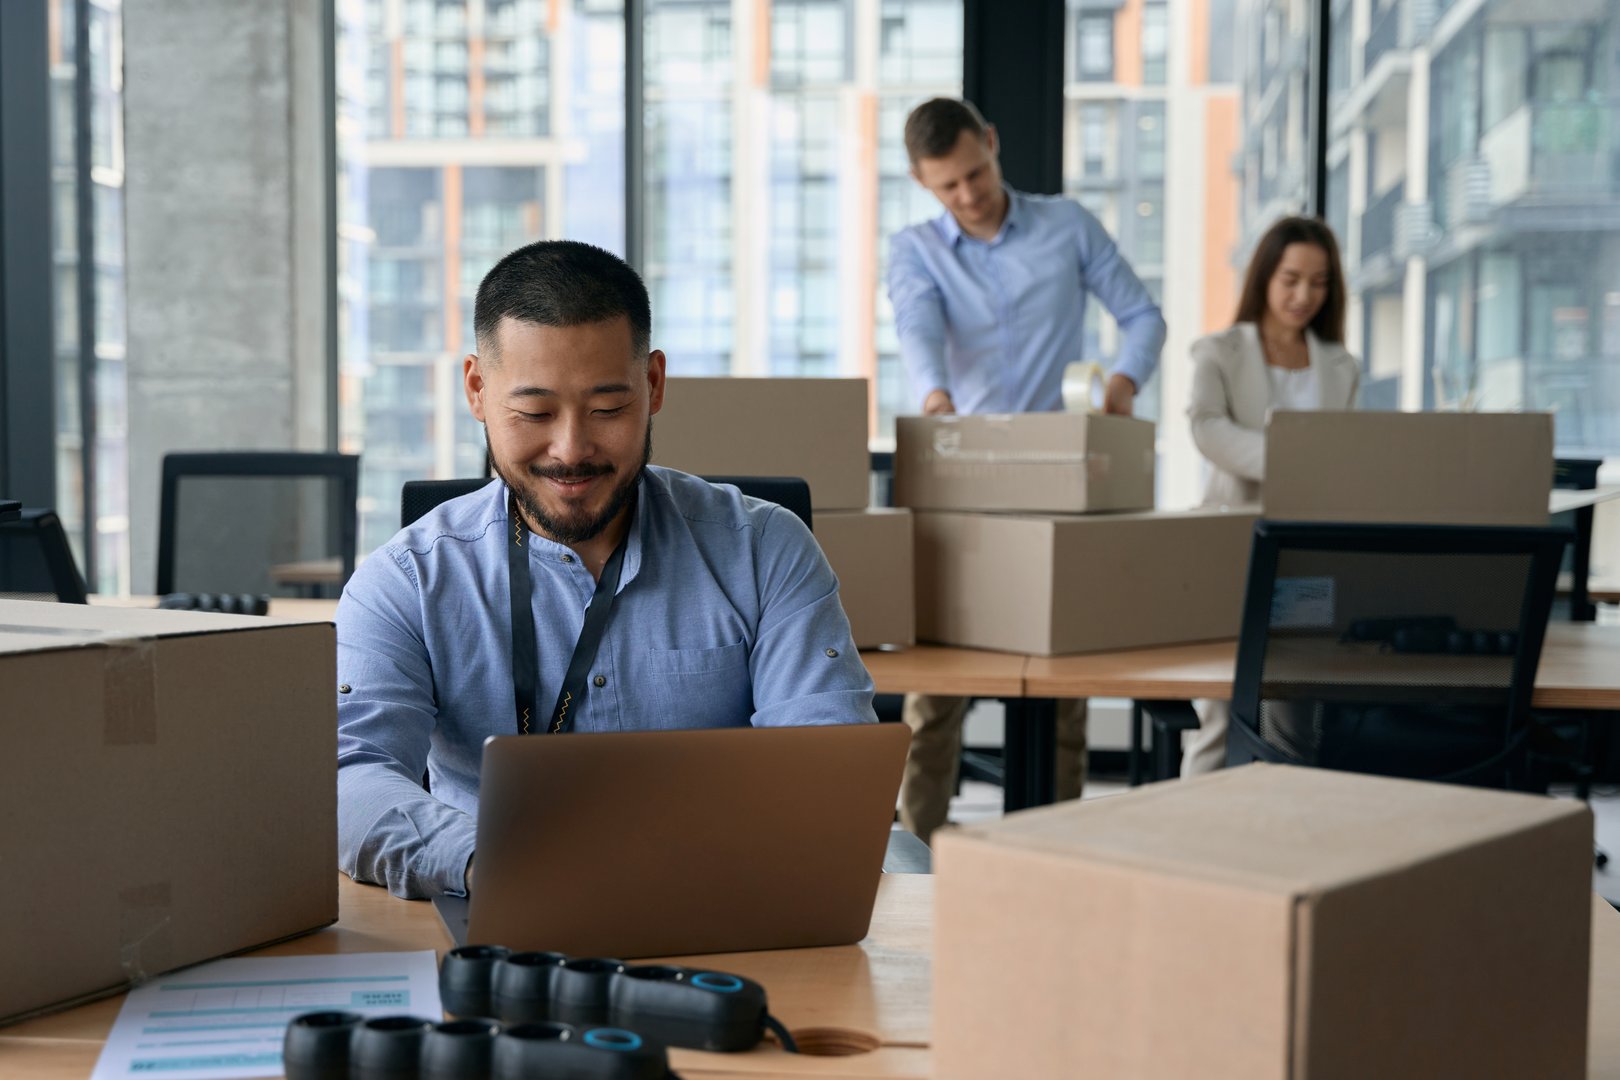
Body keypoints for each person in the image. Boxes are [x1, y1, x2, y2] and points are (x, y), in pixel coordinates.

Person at [336, 240, 877, 899]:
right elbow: (350, 776)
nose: (571, 449)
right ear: (477, 389)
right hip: (500, 910)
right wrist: (494, 861)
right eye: (534, 412)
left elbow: (830, 769)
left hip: (722, 903)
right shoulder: (407, 581)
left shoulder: (765, 550)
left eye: (607, 410)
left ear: (652, 385)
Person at [887, 98, 1166, 842]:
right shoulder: (916, 248)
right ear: (923, 182)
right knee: (935, 696)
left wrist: (1123, 383)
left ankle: (1053, 854)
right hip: (966, 483)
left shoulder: (1068, 226)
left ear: (994, 140)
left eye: (976, 173)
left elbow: (1143, 316)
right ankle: (912, 862)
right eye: (948, 186)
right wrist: (934, 394)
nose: (969, 195)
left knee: (1061, 686)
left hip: (1060, 482)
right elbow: (916, 324)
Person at [1181, 215, 1360, 776]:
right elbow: (1206, 428)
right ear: (1263, 277)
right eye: (1290, 279)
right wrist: (1293, 461)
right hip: (1230, 550)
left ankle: (1282, 851)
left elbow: (1350, 453)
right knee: (1219, 719)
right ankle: (1193, 857)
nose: (1304, 295)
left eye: (1319, 282)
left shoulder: (1342, 366)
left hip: (1308, 558)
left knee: (1295, 721)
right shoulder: (1218, 350)